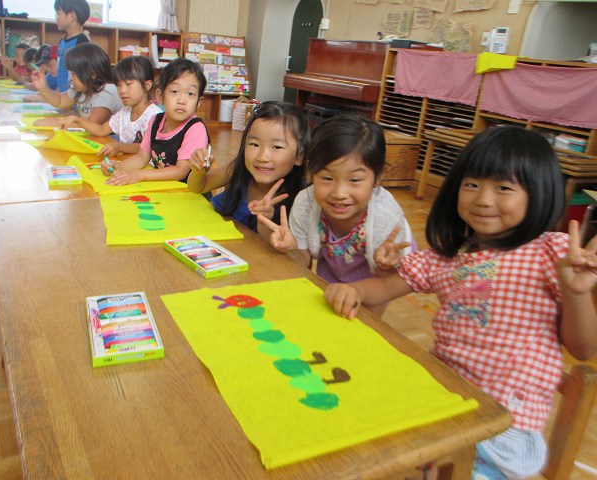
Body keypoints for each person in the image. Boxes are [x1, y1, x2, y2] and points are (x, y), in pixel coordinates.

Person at [324, 126, 597, 480]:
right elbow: (386, 286)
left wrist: (576, 292)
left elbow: (584, 348)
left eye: (503, 188)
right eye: (472, 185)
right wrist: (356, 291)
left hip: (504, 427)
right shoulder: (447, 258)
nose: (483, 199)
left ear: (539, 192)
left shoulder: (550, 253)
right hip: (441, 400)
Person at [257, 113, 412, 290]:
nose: (339, 193)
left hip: (372, 288)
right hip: (328, 281)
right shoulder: (306, 203)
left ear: (378, 177)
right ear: (311, 170)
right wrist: (291, 250)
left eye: (354, 180)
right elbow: (303, 261)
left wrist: (385, 267)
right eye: (327, 178)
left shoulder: (387, 219)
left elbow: (390, 286)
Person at [187, 101, 309, 238]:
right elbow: (198, 187)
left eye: (277, 147)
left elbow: (278, 249)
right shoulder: (238, 168)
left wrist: (265, 221)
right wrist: (198, 172)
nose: (263, 157)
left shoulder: (302, 202)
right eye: (254, 144)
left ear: (299, 156)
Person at [100, 58, 208, 185]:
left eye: (190, 94)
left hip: (186, 192)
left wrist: (140, 175)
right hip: (161, 188)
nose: (182, 100)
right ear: (160, 97)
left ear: (198, 102)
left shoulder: (196, 129)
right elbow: (142, 157)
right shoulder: (155, 121)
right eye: (175, 92)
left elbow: (181, 171)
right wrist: (120, 166)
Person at [60, 55, 161, 156]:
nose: (122, 90)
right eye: (118, 85)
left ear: (147, 85)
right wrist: (76, 119)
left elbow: (146, 147)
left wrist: (119, 146)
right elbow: (101, 130)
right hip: (126, 161)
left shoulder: (155, 116)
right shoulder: (124, 113)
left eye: (128, 84)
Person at [30, 42, 122, 126]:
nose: (70, 78)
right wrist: (43, 88)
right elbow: (59, 100)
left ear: (92, 74)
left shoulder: (107, 91)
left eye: (73, 73)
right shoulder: (82, 90)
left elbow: (92, 123)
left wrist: (57, 122)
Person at [53, 0, 90, 92]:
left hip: (74, 96)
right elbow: (60, 70)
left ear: (72, 16)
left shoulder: (82, 42)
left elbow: (83, 76)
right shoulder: (61, 42)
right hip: (62, 95)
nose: (56, 18)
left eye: (58, 14)